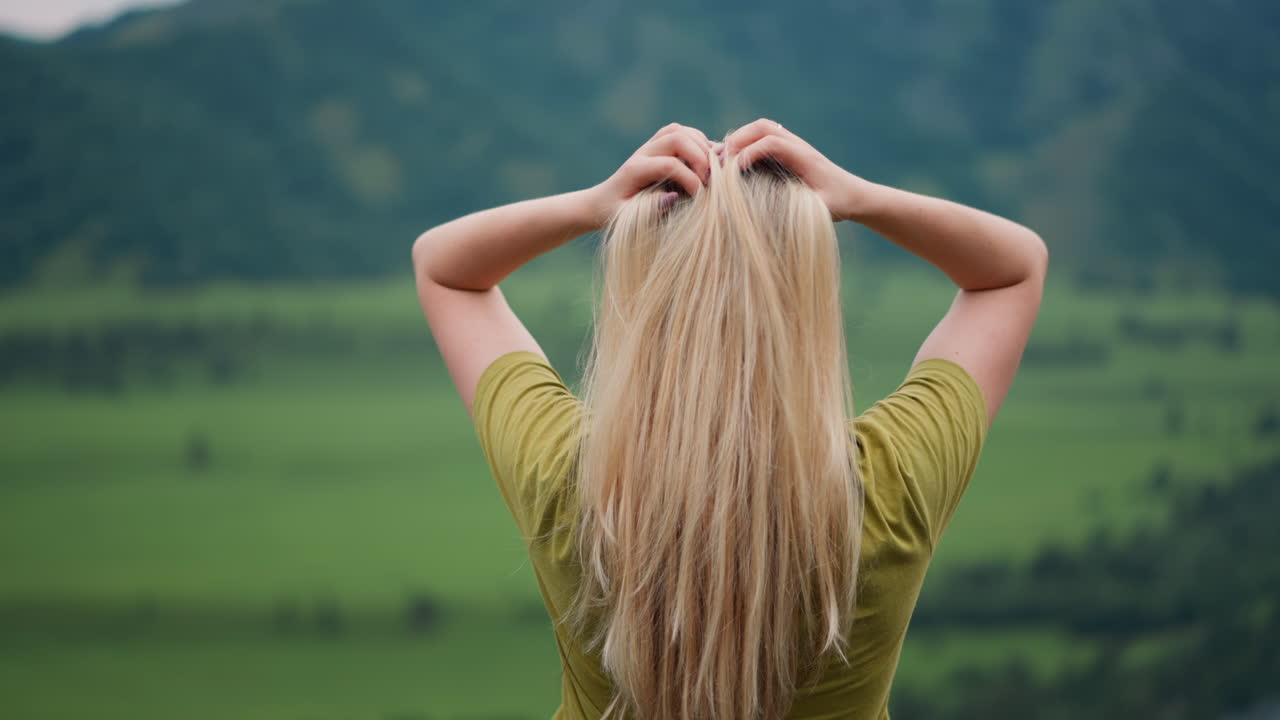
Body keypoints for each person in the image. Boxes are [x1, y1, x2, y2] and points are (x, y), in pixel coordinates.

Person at [412, 120, 1047, 720]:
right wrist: (858, 198)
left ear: (646, 306)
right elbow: (1012, 272)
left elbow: (446, 269)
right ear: (807, 310)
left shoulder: (573, 483)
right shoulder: (887, 489)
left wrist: (597, 205)